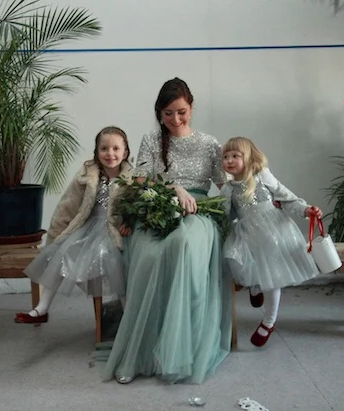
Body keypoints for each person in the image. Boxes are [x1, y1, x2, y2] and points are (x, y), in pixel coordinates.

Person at [102, 78, 232, 384]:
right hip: (157, 206)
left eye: (181, 112)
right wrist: (173, 188)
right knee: (150, 254)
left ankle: (180, 349)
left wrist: (254, 200)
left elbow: (227, 184)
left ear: (192, 108)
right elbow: (139, 181)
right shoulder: (151, 139)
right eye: (168, 113)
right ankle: (142, 351)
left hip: (199, 211)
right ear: (159, 113)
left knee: (184, 244)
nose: (175, 119)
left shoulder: (209, 143)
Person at [14, 126, 132, 323]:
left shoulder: (131, 179)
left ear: (125, 152)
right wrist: (56, 234)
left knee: (112, 261)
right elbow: (67, 205)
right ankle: (42, 308)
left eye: (116, 148)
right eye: (104, 148)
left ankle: (129, 315)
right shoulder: (88, 175)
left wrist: (128, 223)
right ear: (97, 151)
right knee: (62, 253)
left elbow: (136, 208)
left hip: (114, 231)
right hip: (88, 227)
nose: (110, 154)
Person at [221, 136, 322, 347]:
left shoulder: (261, 176)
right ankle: (255, 285)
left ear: (248, 157)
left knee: (273, 276)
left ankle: (269, 321)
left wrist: (305, 210)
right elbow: (226, 216)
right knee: (235, 257)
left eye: (235, 155)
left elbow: (285, 196)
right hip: (248, 234)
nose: (229, 160)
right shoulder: (228, 188)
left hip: (274, 233)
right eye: (226, 156)